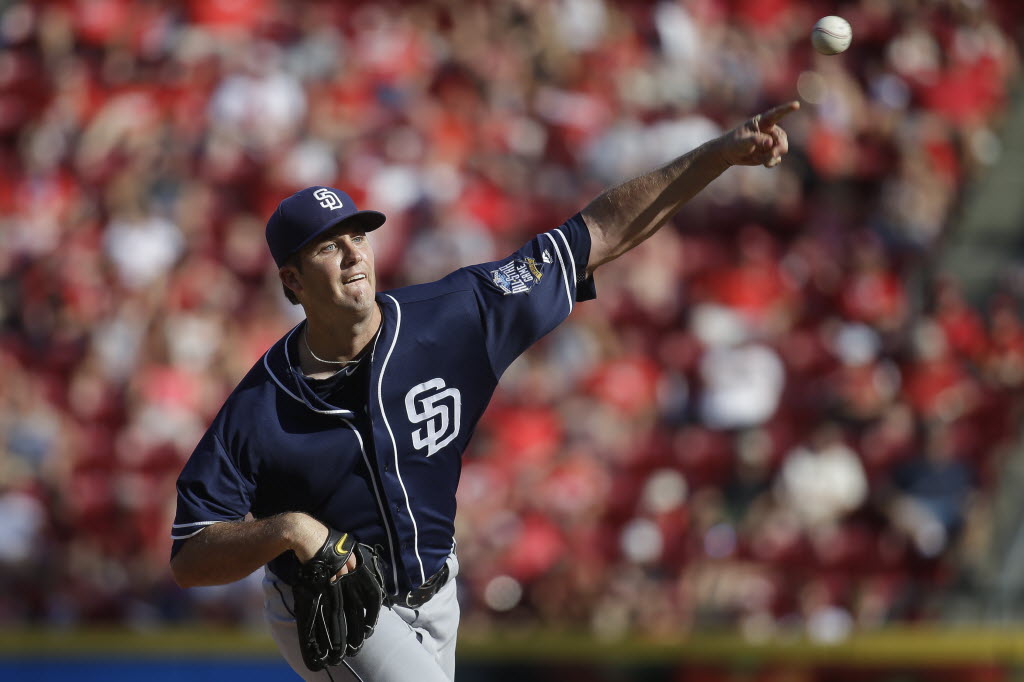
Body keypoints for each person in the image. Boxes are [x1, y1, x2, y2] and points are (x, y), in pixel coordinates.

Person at [169, 101, 800, 681]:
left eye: (357, 237)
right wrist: (290, 530)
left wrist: (717, 155)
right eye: (329, 248)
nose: (353, 255)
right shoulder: (261, 405)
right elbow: (190, 552)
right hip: (334, 602)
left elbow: (595, 236)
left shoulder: (455, 315)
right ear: (293, 281)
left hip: (439, 593)